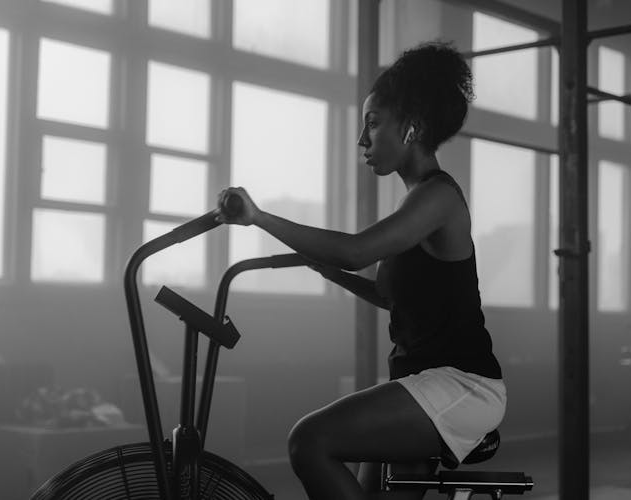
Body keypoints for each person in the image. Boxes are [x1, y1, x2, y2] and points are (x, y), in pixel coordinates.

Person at [214, 41, 505, 500]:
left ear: (411, 128)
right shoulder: (415, 202)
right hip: (420, 383)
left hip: (461, 385)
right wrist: (329, 272)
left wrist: (260, 217)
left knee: (309, 441)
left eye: (373, 123)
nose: (361, 140)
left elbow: (354, 251)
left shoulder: (438, 197)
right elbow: (389, 295)